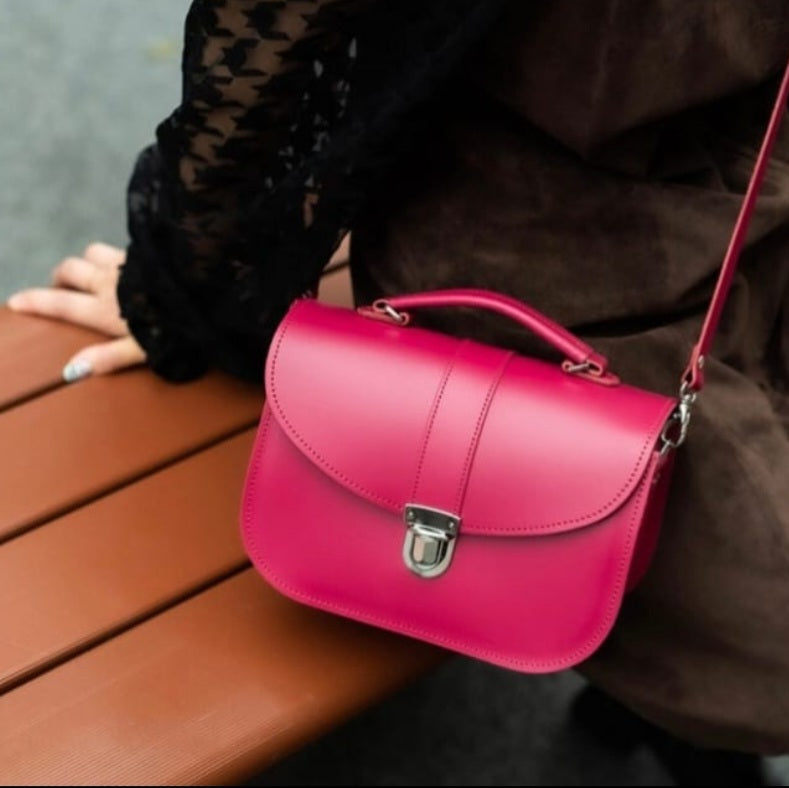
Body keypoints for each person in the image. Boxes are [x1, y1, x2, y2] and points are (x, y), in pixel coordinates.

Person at [8, 0, 789, 774]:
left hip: (734, 219)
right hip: (520, 263)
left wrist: (194, 281)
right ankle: (668, 714)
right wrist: (181, 291)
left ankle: (662, 710)